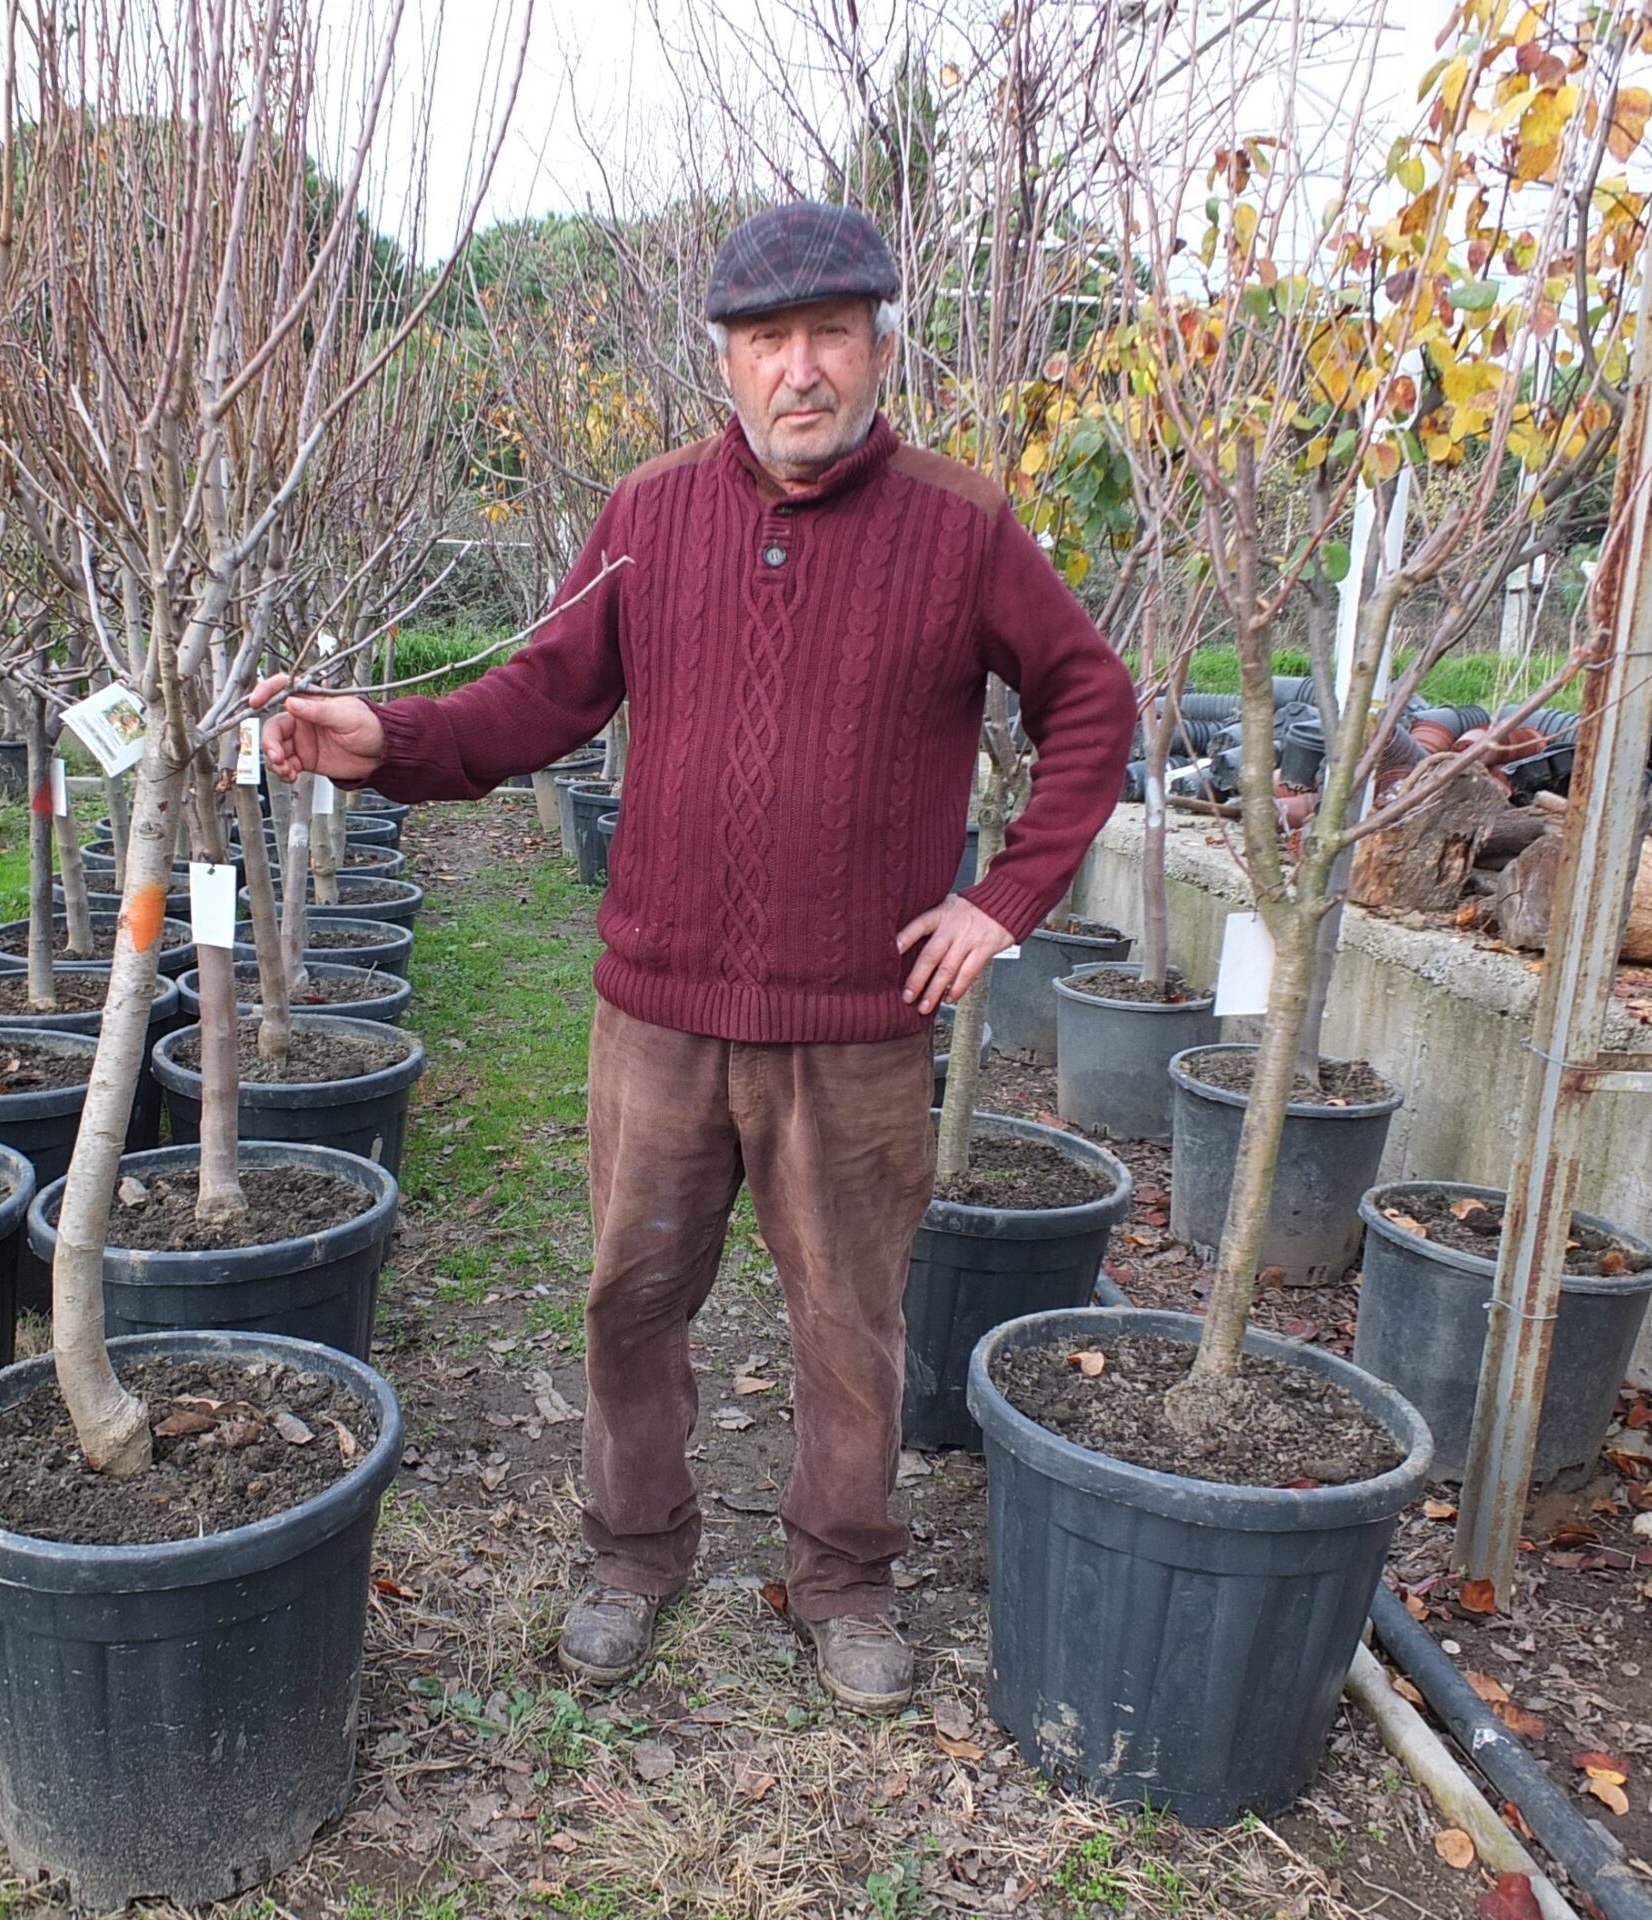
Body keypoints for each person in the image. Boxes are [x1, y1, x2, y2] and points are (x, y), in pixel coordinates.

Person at [256, 200, 1136, 1713]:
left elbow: (1091, 703)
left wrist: (1005, 900)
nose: (803, 370)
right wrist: (379, 741)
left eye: (832, 336)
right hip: (658, 1017)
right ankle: (630, 1548)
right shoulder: (648, 516)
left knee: (851, 1325)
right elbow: (534, 706)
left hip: (857, 1026)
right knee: (628, 1300)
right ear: (724, 359)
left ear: (877, 348)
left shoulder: (962, 524)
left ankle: (843, 1575)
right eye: (769, 341)